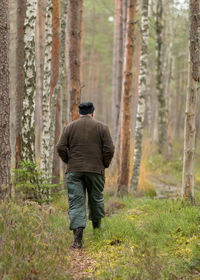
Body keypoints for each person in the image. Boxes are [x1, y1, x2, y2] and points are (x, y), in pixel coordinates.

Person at [56, 102, 114, 249]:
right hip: (96, 171)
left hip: (74, 171)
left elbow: (60, 147)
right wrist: (104, 164)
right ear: (93, 113)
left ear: (79, 113)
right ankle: (97, 231)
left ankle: (78, 237)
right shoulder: (102, 127)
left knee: (76, 202)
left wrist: (69, 161)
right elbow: (109, 149)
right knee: (96, 199)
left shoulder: (69, 127)